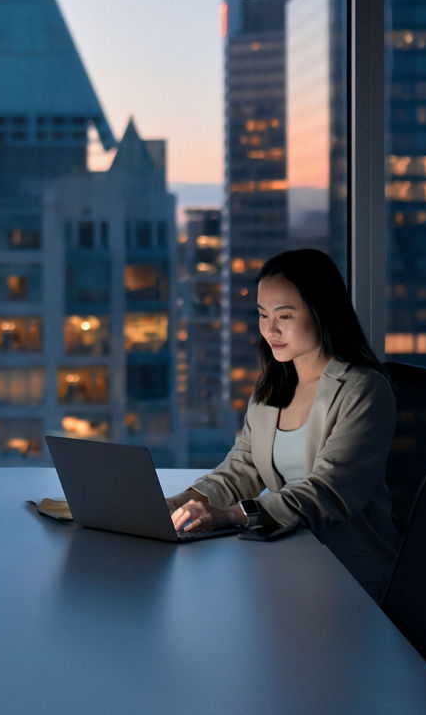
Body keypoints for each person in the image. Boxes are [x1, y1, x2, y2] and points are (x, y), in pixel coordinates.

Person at [166, 248, 400, 601]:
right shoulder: (271, 388)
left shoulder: (363, 390)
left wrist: (229, 516)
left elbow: (328, 492)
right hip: (289, 564)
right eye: (262, 315)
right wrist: (178, 503)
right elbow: (241, 469)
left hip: (350, 578)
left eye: (284, 315)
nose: (270, 329)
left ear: (321, 313)